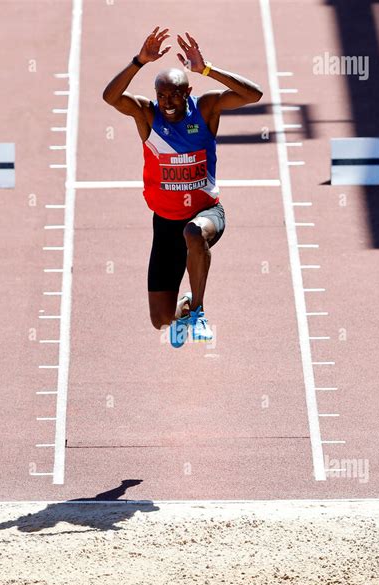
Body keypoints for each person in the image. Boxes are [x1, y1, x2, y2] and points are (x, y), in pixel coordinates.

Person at [102, 27, 263, 347]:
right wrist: (138, 62)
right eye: (161, 95)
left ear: (188, 91)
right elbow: (110, 98)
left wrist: (206, 69)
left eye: (174, 94)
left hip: (206, 214)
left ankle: (199, 311)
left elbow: (253, 95)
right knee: (159, 321)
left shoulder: (205, 110)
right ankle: (184, 308)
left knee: (193, 233)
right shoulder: (147, 115)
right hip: (164, 226)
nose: (168, 102)